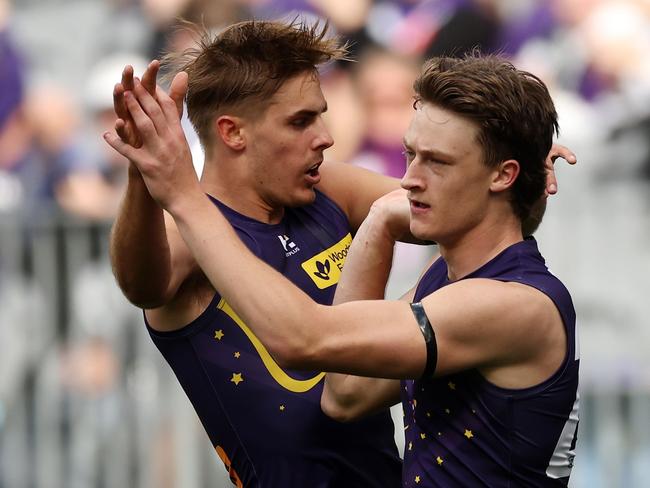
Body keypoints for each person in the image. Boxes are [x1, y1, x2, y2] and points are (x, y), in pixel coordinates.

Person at [106, 47, 579, 487]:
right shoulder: (443, 280)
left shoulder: (511, 302)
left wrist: (182, 194)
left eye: (435, 161)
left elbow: (306, 340)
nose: (408, 180)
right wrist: (378, 223)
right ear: (232, 132)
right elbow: (345, 395)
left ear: (504, 174)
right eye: (411, 155)